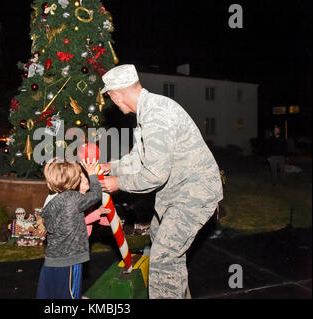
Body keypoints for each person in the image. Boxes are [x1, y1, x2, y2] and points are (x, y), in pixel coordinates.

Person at [97, 64, 223, 299]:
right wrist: (112, 167)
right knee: (160, 238)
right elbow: (138, 158)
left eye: (111, 97)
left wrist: (118, 183)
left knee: (164, 255)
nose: (112, 102)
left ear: (116, 94)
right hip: (177, 192)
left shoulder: (157, 114)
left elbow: (155, 175)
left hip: (194, 192)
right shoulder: (147, 113)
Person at [36, 157, 102, 299]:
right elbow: (96, 194)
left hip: (51, 260)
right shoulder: (73, 198)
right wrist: (91, 173)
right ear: (75, 180)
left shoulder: (49, 203)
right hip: (70, 260)